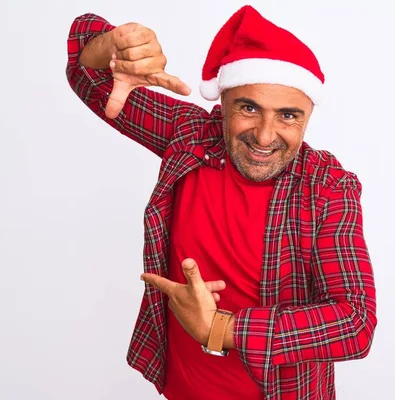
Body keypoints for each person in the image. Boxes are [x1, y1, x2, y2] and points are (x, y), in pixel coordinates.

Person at [65, 4, 377, 400]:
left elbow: (355, 323)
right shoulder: (191, 135)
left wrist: (220, 328)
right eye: (249, 108)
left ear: (308, 115)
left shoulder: (327, 188)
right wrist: (114, 47)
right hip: (181, 389)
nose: (265, 136)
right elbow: (85, 71)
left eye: (287, 115)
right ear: (224, 101)